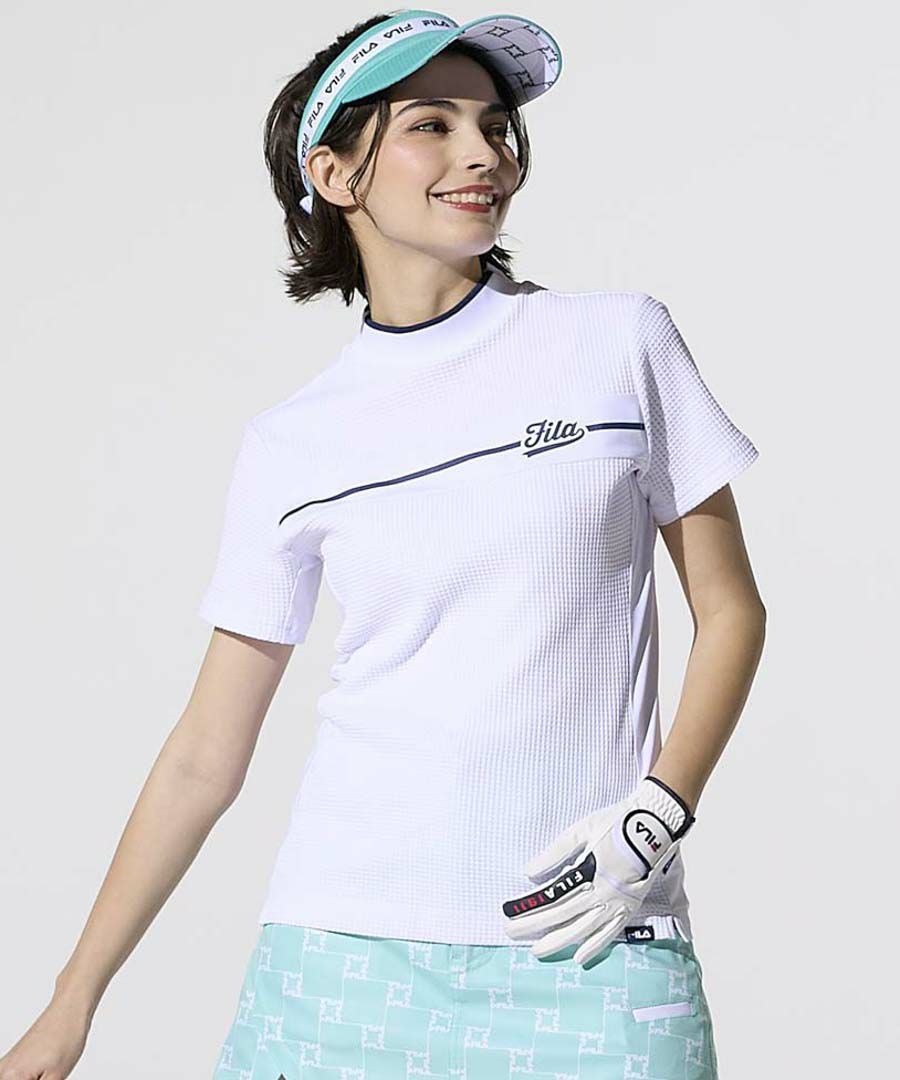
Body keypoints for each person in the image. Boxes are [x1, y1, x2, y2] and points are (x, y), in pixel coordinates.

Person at [0, 8, 766, 1079]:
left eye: (494, 126)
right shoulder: (293, 443)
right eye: (431, 125)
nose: (481, 153)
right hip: (337, 964)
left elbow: (730, 610)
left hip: (590, 945)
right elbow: (205, 754)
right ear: (335, 174)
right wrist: (71, 1001)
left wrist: (659, 811)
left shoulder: (616, 341)